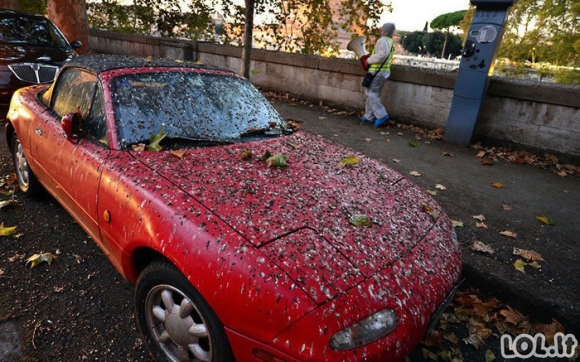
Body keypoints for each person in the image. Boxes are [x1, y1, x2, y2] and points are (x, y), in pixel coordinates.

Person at [360, 23, 396, 127]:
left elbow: (381, 55)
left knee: (371, 93)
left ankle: (382, 116)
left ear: (384, 30)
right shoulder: (390, 41)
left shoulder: (382, 40)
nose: (380, 29)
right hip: (384, 71)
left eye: (382, 28)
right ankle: (369, 116)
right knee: (374, 93)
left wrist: (368, 60)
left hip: (377, 71)